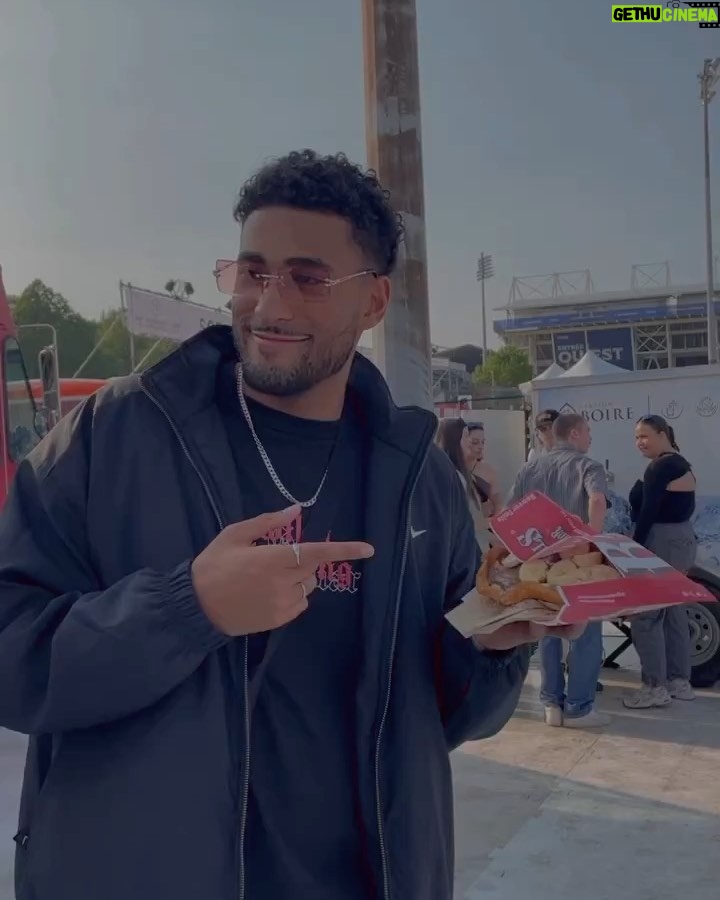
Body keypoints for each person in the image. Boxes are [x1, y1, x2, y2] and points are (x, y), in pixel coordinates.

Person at [0, 150, 580, 900]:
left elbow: (445, 718)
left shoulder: (416, 476)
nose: (269, 305)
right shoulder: (118, 437)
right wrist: (187, 608)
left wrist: (493, 645)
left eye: (307, 278)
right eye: (252, 271)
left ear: (373, 302)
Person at [507, 412, 610, 729]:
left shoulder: (530, 467)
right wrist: (591, 537)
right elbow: (596, 500)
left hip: (540, 563)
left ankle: (551, 704)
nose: (590, 437)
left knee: (547, 630)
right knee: (586, 632)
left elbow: (511, 512)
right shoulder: (588, 465)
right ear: (576, 433)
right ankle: (579, 707)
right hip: (576, 562)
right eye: (588, 431)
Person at [623, 415, 697, 710]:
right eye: (636, 437)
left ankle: (654, 687)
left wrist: (633, 550)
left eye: (645, 436)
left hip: (661, 541)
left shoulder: (659, 468)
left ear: (663, 433)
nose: (639, 442)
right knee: (674, 612)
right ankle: (680, 682)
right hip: (682, 540)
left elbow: (648, 512)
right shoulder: (680, 463)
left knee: (647, 616)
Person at [435, 418, 491, 551]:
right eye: (466, 437)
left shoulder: (463, 475)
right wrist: (498, 521)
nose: (470, 443)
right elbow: (461, 523)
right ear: (454, 440)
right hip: (465, 557)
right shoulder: (452, 477)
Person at [464, 422, 502, 516]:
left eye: (483, 442)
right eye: (475, 442)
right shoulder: (450, 469)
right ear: (462, 442)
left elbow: (499, 505)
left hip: (483, 525)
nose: (480, 447)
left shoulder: (488, 471)